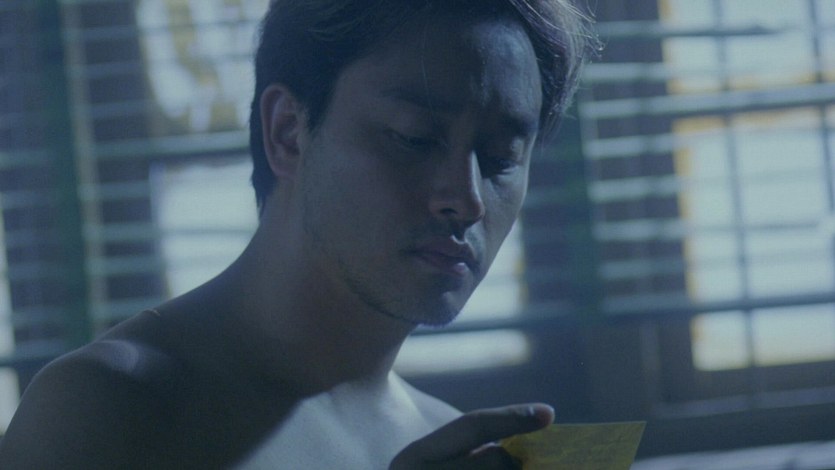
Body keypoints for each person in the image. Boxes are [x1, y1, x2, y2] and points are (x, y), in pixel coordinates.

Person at [0, 0, 595, 468]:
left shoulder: (447, 441)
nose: (465, 199)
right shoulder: (106, 411)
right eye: (414, 138)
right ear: (287, 132)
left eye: (500, 157)